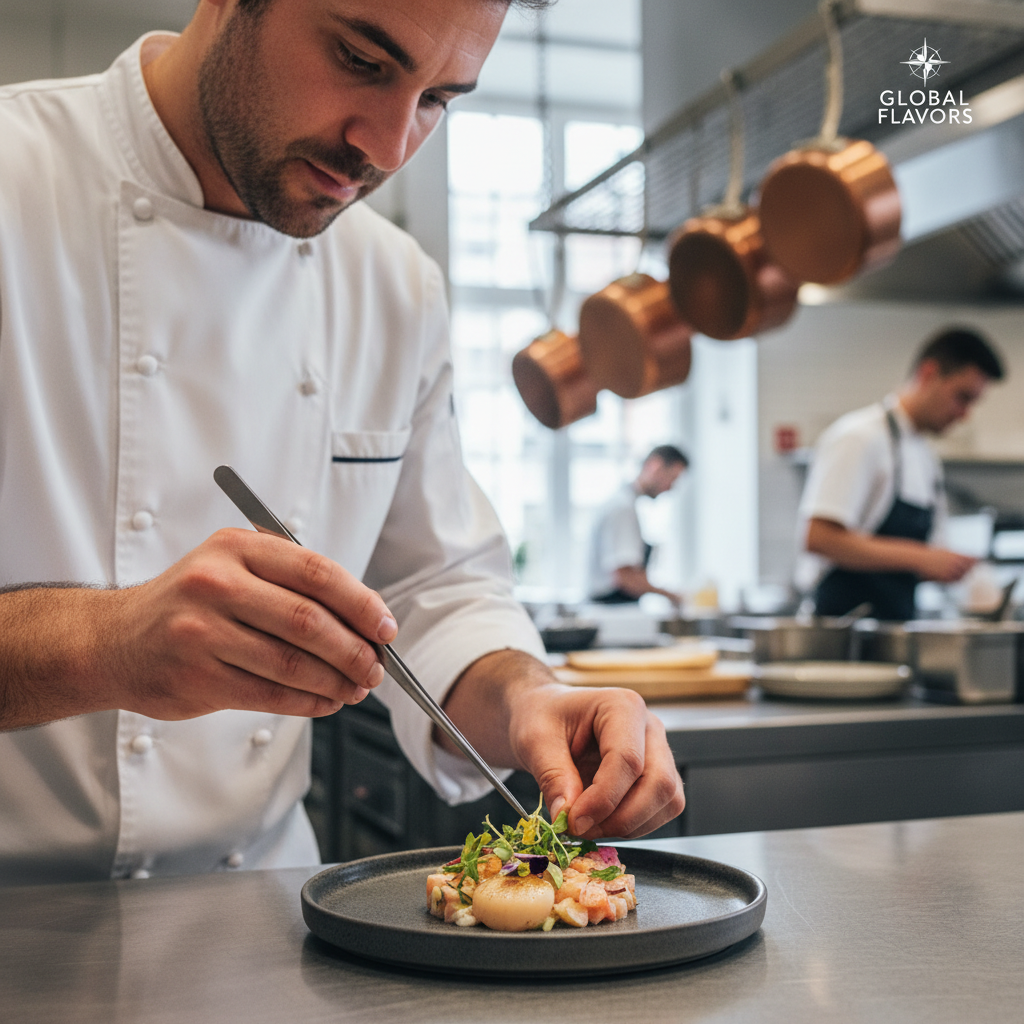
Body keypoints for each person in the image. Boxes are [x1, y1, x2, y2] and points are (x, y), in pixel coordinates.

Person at [0, 0, 684, 885]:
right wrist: (103, 645)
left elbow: (436, 593)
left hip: (252, 915)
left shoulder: (394, 285)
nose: (391, 148)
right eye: (362, 60)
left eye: (439, 98)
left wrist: (530, 699)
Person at [797, 327, 1005, 621]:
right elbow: (819, 538)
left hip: (894, 632)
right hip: (844, 637)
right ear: (929, 373)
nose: (964, 414)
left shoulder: (925, 458)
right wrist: (923, 558)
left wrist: (950, 567)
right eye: (962, 397)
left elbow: (914, 561)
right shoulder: (860, 437)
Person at [588, 445, 689, 605]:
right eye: (671, 478)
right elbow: (625, 577)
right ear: (654, 466)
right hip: (613, 611)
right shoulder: (622, 508)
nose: (670, 488)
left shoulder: (624, 504)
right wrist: (672, 595)